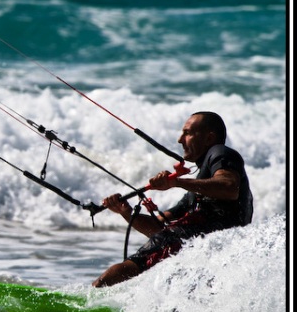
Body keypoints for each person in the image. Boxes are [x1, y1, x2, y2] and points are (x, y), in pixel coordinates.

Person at [92, 111, 253, 288]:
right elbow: (157, 229)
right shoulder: (197, 191)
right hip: (204, 251)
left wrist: (176, 182)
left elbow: (230, 187)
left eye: (187, 133)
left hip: (208, 246)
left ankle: (88, 305)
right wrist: (126, 213)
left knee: (121, 273)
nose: (180, 139)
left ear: (209, 138)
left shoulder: (220, 152)